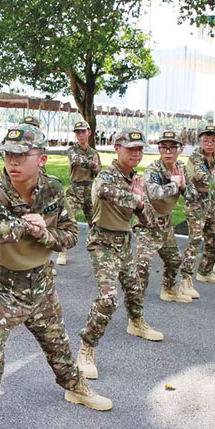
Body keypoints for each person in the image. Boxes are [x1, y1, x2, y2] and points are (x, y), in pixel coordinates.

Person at [0, 124, 111, 429]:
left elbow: (70, 235)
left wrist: (46, 233)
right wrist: (25, 227)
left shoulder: (53, 188)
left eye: (21, 155)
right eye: (8, 155)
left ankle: (75, 387)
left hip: (41, 286)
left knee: (59, 348)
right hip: (4, 289)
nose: (13, 162)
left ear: (42, 158)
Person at [77, 130, 160, 382]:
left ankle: (136, 323)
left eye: (139, 149)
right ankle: (86, 348)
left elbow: (147, 219)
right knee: (109, 299)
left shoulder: (136, 179)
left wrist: (141, 205)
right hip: (103, 242)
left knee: (135, 288)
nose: (136, 153)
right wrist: (134, 199)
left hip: (124, 242)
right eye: (130, 149)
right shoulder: (106, 175)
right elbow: (105, 192)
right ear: (117, 148)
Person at [133, 130, 197, 307]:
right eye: (163, 147)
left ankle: (169, 290)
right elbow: (155, 194)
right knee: (143, 265)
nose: (168, 152)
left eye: (172, 147)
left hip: (165, 222)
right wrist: (174, 183)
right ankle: (135, 306)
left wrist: (183, 186)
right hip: (147, 221)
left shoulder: (181, 168)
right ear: (159, 150)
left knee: (174, 260)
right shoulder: (153, 169)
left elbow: (192, 196)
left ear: (180, 149)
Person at [179, 124, 215, 287]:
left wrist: (213, 178)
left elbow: (214, 178)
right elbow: (204, 178)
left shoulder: (213, 157)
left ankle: (205, 271)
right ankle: (185, 278)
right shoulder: (197, 156)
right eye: (206, 140)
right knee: (195, 239)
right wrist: (213, 177)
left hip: (208, 200)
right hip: (195, 200)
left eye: (213, 140)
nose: (209, 143)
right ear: (200, 140)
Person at [58, 119, 101, 266]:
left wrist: (96, 167)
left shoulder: (94, 152)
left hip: (89, 189)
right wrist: (92, 165)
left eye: (83, 132)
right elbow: (77, 160)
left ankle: (97, 250)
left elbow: (98, 172)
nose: (80, 135)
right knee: (66, 219)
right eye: (78, 132)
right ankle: (62, 251)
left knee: (94, 222)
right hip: (75, 190)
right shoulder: (72, 150)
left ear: (89, 133)